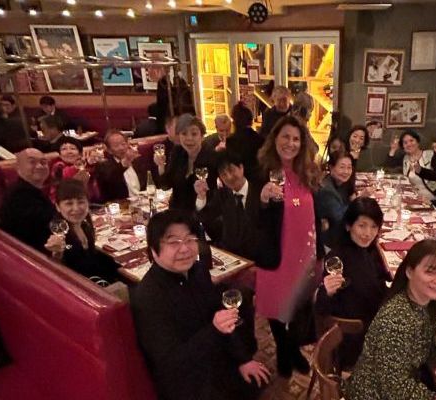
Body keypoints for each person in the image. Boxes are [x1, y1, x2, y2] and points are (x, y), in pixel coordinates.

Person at [131, 209, 268, 400]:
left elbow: (219, 316)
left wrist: (243, 359)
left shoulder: (197, 270)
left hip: (212, 355)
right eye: (173, 242)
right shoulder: (148, 297)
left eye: (190, 239)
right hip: (186, 381)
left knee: (256, 381)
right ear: (154, 250)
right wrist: (214, 330)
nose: (185, 248)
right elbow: (170, 364)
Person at [344, 240, 436, 400]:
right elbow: (394, 388)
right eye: (430, 272)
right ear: (409, 271)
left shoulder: (430, 304)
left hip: (403, 384)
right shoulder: (397, 318)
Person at [256, 115, 323, 378]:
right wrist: (262, 200)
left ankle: (291, 346)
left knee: (300, 307)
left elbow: (316, 214)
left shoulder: (308, 171)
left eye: (296, 138)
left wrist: (320, 251)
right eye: (285, 136)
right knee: (276, 305)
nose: (291, 143)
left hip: (304, 251)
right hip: (275, 251)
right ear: (275, 138)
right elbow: (251, 213)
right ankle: (284, 349)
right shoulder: (261, 169)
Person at [314, 197, 391, 369]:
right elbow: (321, 310)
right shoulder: (336, 258)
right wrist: (327, 291)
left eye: (373, 227)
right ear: (349, 226)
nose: (368, 233)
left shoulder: (370, 250)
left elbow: (379, 282)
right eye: (362, 225)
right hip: (355, 339)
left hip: (375, 324)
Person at [43, 179, 120, 283]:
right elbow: (57, 273)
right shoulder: (57, 232)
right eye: (69, 203)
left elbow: (93, 258)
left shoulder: (85, 223)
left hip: (99, 280)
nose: (76, 208)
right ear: (58, 207)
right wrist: (57, 254)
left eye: (81, 202)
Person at [195, 151, 264, 262]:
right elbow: (203, 217)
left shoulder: (260, 192)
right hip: (230, 257)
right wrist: (201, 197)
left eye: (231, 170)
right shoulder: (222, 194)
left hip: (257, 259)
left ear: (241, 168)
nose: (229, 177)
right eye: (223, 174)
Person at [0, 148, 55, 252]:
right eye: (32, 162)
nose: (39, 166)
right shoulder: (19, 196)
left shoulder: (29, 190)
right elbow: (48, 225)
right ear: (18, 167)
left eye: (43, 162)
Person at [160, 117, 218, 212]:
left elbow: (217, 196)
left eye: (194, 134)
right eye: (184, 134)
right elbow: (165, 185)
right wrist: (161, 165)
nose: (189, 138)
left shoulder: (211, 157)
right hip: (176, 214)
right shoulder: (177, 152)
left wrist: (202, 195)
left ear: (202, 136)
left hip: (204, 215)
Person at [385, 130, 436, 199]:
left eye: (411, 140)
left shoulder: (429, 154)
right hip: (413, 195)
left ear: (417, 142)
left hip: (431, 195)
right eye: (405, 143)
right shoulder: (405, 158)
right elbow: (389, 166)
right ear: (403, 147)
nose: (409, 144)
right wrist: (393, 149)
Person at [93, 130, 148, 202]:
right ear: (109, 150)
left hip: (143, 201)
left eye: (123, 144)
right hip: (121, 206)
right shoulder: (103, 166)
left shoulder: (137, 160)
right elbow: (110, 187)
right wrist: (123, 166)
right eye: (116, 146)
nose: (121, 148)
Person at [316, 150, 356, 249]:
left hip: (339, 232)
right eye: (342, 167)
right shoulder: (327, 190)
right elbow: (341, 216)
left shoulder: (341, 183)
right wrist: (356, 202)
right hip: (330, 241)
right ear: (331, 167)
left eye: (349, 167)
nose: (346, 171)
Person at [48, 136, 98, 202]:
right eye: (64, 149)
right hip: (63, 203)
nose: (69, 152)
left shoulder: (86, 165)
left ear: (80, 154)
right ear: (60, 155)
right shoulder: (58, 166)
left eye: (73, 148)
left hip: (88, 201)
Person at [226, 103, 263, 178]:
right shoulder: (260, 139)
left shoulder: (231, 141)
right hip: (257, 179)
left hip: (238, 180)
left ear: (234, 121)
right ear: (251, 120)